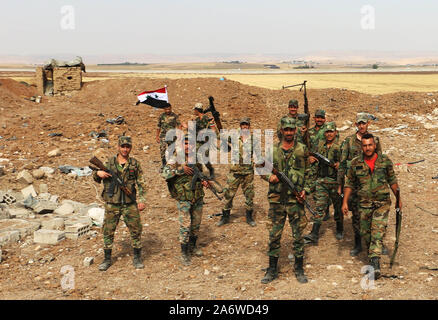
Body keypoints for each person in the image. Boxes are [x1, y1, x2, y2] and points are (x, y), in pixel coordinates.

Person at [342, 133, 401, 279]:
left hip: (382, 203)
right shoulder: (355, 163)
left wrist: (398, 198)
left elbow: (392, 180)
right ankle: (372, 255)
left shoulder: (385, 161)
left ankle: (375, 264)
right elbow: (349, 183)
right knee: (366, 233)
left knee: (377, 231)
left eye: (370, 145)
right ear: (361, 147)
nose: (368, 148)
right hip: (364, 204)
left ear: (375, 145)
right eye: (365, 145)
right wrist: (345, 202)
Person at [260, 118, 311, 284]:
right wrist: (270, 177)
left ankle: (299, 268)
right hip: (276, 200)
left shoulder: (302, 150)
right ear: (281, 130)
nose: (289, 132)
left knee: (298, 235)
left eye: (291, 129)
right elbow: (260, 167)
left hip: (295, 200)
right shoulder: (272, 150)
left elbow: (310, 174)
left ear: (295, 130)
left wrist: (306, 190)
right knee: (274, 235)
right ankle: (272, 269)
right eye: (286, 129)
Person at [93, 135, 147, 271]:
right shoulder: (109, 163)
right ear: (118, 147)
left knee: (136, 230)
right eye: (122, 146)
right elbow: (96, 176)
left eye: (127, 147)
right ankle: (107, 259)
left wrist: (142, 200)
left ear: (130, 148)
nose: (125, 149)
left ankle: (137, 257)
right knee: (108, 231)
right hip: (112, 203)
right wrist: (98, 173)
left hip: (129, 203)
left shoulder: (134, 164)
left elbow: (141, 183)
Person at [162, 134, 210, 266]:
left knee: (196, 223)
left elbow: (205, 173)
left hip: (197, 196)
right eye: (186, 143)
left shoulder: (198, 158)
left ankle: (193, 247)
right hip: (183, 197)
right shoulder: (175, 158)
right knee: (185, 225)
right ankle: (184, 253)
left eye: (191, 144)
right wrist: (180, 170)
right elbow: (165, 173)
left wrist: (205, 181)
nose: (189, 146)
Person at [338, 112, 382, 256]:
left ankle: (376, 243)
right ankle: (358, 244)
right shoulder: (349, 141)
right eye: (359, 123)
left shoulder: (375, 140)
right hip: (355, 186)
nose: (362, 126)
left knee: (375, 215)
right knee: (357, 215)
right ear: (356, 124)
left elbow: (380, 162)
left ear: (368, 124)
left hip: (372, 185)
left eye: (364, 123)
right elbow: (343, 164)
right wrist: (340, 185)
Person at [304, 122, 343, 245]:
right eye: (327, 132)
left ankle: (340, 228)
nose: (329, 134)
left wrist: (339, 165)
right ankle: (314, 233)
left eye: (331, 131)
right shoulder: (320, 147)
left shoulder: (339, 148)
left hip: (335, 181)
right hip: (322, 181)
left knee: (337, 207)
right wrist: (310, 159)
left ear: (335, 133)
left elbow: (346, 163)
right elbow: (311, 156)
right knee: (319, 207)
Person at [217, 117, 257, 227]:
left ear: (249, 126)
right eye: (243, 125)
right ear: (240, 126)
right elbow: (221, 136)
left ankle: (249, 217)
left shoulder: (253, 139)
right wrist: (215, 126)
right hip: (234, 171)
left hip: (248, 172)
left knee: (249, 195)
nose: (244, 127)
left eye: (246, 125)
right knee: (228, 194)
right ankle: (225, 216)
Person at [193, 103, 217, 178]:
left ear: (197, 110)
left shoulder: (206, 119)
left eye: (194, 110)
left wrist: (212, 124)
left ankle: (211, 170)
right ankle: (200, 174)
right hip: (197, 142)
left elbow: (213, 131)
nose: (194, 111)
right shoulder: (196, 120)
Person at [156, 104, 181, 169]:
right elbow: (158, 126)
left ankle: (172, 164)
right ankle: (164, 164)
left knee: (173, 150)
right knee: (162, 149)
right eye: (166, 109)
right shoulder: (161, 116)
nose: (168, 111)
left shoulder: (175, 116)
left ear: (171, 108)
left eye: (169, 109)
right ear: (164, 109)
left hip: (172, 136)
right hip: (163, 135)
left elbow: (179, 125)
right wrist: (157, 136)